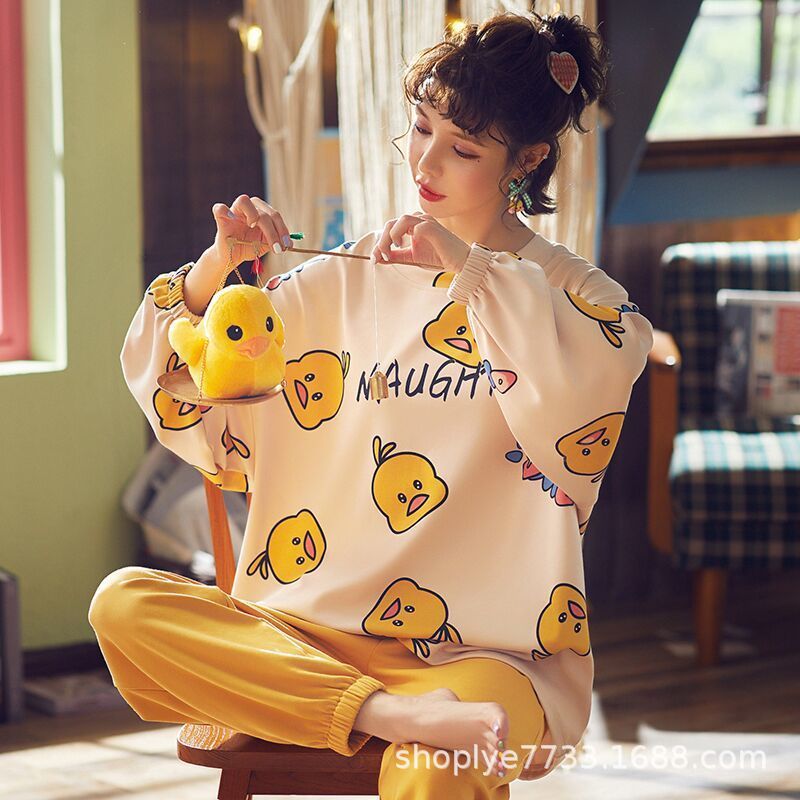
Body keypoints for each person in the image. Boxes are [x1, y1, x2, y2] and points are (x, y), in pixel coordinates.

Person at [89, 10, 653, 798]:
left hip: (487, 656)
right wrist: (217, 269)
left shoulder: (574, 298)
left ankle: (384, 717)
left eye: (462, 149)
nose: (426, 160)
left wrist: (468, 271)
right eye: (420, 129)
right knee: (122, 603)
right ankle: (388, 713)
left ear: (526, 159)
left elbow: (594, 382)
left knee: (438, 771)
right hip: (304, 633)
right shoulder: (344, 277)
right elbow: (192, 392)